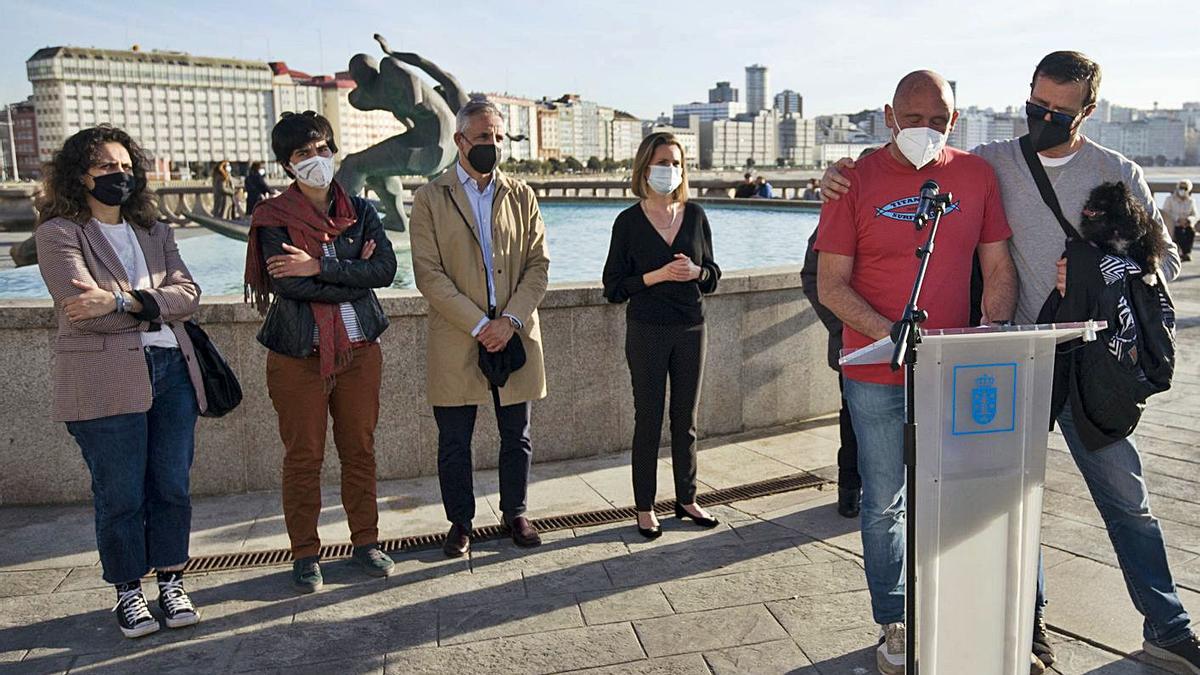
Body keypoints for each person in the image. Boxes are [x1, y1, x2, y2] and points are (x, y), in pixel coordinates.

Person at [819, 52, 1198, 674]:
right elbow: (909, 170)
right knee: (1010, 499)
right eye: (1036, 105)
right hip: (1016, 358)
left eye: (1059, 111)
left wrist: (1109, 265)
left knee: (1126, 497)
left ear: (1088, 110)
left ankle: (1170, 627)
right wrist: (840, 171)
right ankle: (1027, 626)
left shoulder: (1119, 171)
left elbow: (1165, 268)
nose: (1044, 118)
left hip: (1091, 364)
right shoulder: (993, 161)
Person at [815, 70, 1018, 675]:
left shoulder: (977, 177)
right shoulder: (853, 180)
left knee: (957, 495)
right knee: (883, 502)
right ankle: (894, 622)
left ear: (953, 122)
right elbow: (832, 284)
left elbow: (1000, 270)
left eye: (939, 119)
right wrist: (897, 337)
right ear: (888, 115)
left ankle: (958, 606)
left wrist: (987, 338)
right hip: (875, 372)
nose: (925, 129)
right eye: (913, 116)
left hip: (954, 374)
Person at [35, 125, 208, 638]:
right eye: (106, 167)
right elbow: (80, 311)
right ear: (79, 176)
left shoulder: (155, 230)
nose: (120, 175)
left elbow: (191, 294)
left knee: (172, 487)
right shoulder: (60, 233)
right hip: (103, 378)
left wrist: (119, 300)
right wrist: (153, 304)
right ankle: (128, 591)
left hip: (172, 373)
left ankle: (172, 581)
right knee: (121, 494)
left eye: (125, 165)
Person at [244, 111, 398, 593]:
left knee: (360, 449)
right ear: (287, 165)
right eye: (303, 154)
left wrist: (320, 265)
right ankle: (306, 553)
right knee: (304, 455)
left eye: (322, 148)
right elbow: (288, 284)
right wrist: (348, 268)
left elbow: (385, 272)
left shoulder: (363, 210)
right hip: (297, 355)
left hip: (359, 350)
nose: (317, 159)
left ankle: (367, 542)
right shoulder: (272, 218)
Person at [409, 98, 550, 557]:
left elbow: (538, 265)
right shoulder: (431, 199)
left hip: (514, 332)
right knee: (454, 440)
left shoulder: (521, 195)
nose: (491, 145)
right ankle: (460, 522)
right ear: (460, 141)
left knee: (518, 434)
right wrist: (479, 324)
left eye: (497, 137)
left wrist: (508, 321)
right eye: (483, 137)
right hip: (459, 335)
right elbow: (429, 275)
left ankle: (516, 513)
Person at [602, 132, 722, 539]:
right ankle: (644, 506)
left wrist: (697, 273)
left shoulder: (696, 215)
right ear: (644, 167)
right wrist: (656, 276)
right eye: (661, 162)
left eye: (675, 163)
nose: (669, 170)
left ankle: (687, 499)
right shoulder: (628, 222)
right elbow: (613, 287)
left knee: (685, 421)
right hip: (647, 330)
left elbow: (713, 276)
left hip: (692, 328)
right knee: (648, 420)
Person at [799, 227, 860, 518]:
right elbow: (812, 277)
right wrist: (845, 327)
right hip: (852, 346)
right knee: (852, 422)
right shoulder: (841, 207)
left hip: (911, 345)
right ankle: (849, 489)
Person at [1163, 179, 1196, 261]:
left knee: (1190, 232)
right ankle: (1181, 253)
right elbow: (1166, 212)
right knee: (1178, 233)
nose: (1183, 190)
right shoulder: (1170, 199)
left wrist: (1188, 220)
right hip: (1174, 224)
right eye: (1181, 188)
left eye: (1185, 188)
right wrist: (1178, 219)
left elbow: (1194, 214)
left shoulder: (1191, 201)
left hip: (1186, 224)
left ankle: (1186, 253)